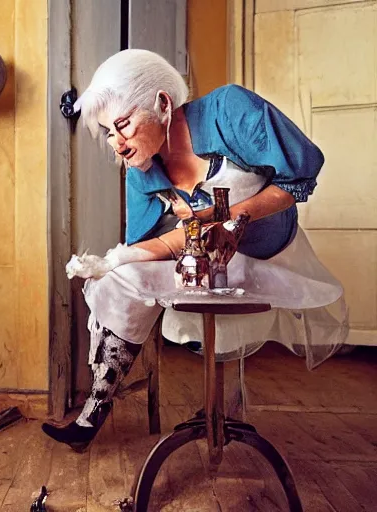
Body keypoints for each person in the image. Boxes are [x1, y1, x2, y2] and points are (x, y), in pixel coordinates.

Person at [42, 49, 347, 452]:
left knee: (210, 308)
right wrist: (114, 261)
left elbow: (301, 174)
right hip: (208, 260)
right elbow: (158, 242)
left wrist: (227, 219)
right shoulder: (142, 169)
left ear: (163, 104)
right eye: (109, 133)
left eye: (123, 126)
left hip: (269, 253)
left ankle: (225, 416)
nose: (117, 145)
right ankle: (92, 415)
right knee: (123, 278)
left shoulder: (230, 109)